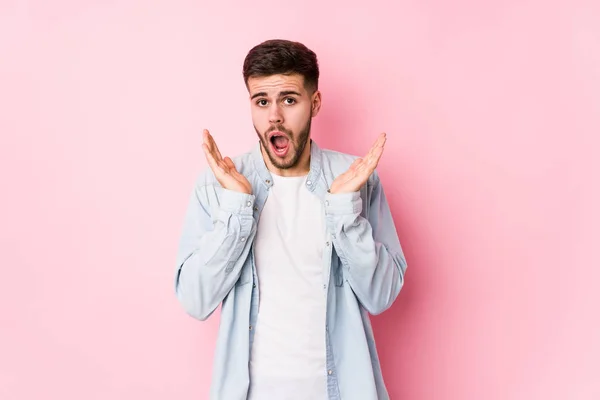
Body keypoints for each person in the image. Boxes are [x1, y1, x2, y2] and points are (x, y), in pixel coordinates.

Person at [175, 39, 407, 400]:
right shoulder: (221, 183)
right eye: (262, 101)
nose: (274, 117)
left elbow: (381, 296)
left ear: (314, 103)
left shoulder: (355, 178)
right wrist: (237, 207)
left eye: (289, 99)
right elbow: (195, 299)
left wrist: (344, 209)